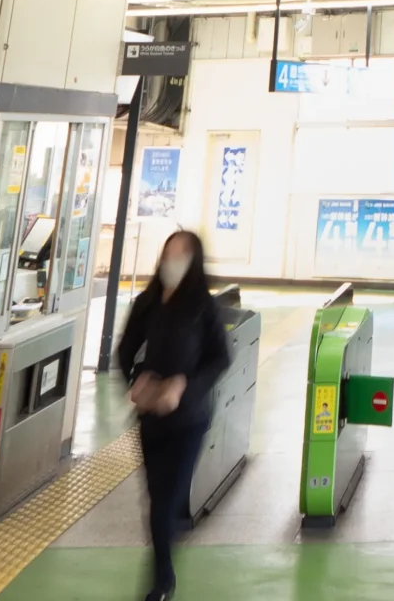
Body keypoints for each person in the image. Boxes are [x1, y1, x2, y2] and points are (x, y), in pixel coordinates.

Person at [117, 229, 230, 601]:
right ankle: (166, 554)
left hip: (189, 422)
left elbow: (220, 358)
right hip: (151, 422)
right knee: (155, 501)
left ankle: (161, 583)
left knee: (165, 503)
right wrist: (138, 381)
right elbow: (125, 350)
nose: (172, 261)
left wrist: (184, 386)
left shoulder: (203, 306)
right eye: (168, 253)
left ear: (194, 261)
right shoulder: (147, 303)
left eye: (181, 254)